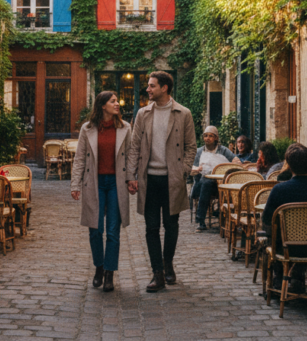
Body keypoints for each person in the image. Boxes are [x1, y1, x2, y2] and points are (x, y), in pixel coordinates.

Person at [127, 71, 197, 292]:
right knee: (151, 227)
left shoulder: (183, 113)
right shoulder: (143, 114)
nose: (147, 89)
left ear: (164, 88)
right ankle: (157, 272)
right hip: (149, 179)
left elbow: (191, 147)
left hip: (172, 180)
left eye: (151, 86)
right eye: (148, 86)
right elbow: (134, 146)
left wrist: (183, 171)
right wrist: (131, 176)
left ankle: (168, 264)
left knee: (171, 225)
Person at [70, 91, 132, 292]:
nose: (117, 104)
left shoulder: (125, 128)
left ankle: (109, 273)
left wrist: (132, 179)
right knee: (95, 230)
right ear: (103, 105)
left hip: (116, 183)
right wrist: (75, 184)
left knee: (113, 232)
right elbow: (79, 158)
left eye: (117, 101)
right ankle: (99, 266)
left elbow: (131, 157)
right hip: (93, 182)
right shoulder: (87, 129)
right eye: (113, 101)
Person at [260, 144, 307, 290]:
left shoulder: (280, 189)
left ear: (288, 165)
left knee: (272, 233)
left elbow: (267, 219)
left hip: (286, 248)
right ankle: (297, 276)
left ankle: (280, 277)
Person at [190, 126, 240, 232]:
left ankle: (225, 218)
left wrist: (234, 162)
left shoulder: (223, 150)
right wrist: (198, 169)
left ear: (216, 138)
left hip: (220, 184)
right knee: (206, 182)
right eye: (205, 136)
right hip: (202, 184)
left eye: (210, 136)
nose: (207, 138)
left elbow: (235, 160)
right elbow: (191, 168)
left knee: (214, 184)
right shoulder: (199, 152)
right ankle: (201, 221)